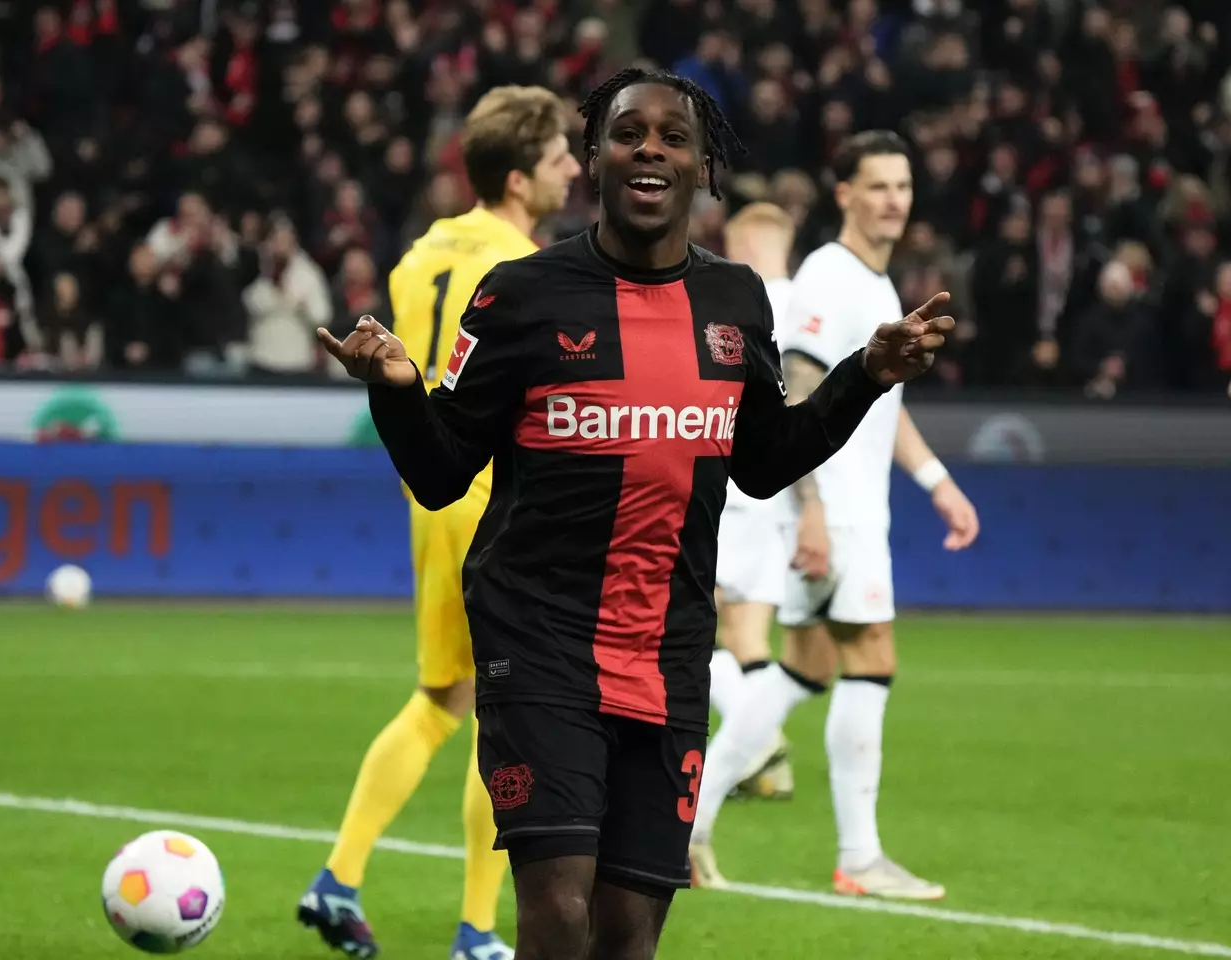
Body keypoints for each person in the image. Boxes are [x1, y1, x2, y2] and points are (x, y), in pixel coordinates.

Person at [319, 70, 956, 960]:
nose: (650, 147)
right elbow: (440, 472)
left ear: (703, 168)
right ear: (593, 158)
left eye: (673, 137)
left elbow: (766, 464)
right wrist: (397, 393)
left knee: (629, 932)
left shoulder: (736, 302)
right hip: (539, 643)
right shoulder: (520, 295)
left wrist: (864, 376)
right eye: (627, 133)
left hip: (668, 649)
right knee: (558, 910)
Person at [298, 84, 581, 960]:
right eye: (561, 155)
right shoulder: (528, 266)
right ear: (521, 175)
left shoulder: (418, 256)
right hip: (497, 495)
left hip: (429, 490)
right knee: (504, 707)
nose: (575, 167)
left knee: (440, 699)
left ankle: (338, 881)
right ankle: (478, 929)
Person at [688, 131, 981, 902]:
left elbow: (884, 409)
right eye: (878, 186)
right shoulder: (830, 276)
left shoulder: (877, 289)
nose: (894, 200)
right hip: (835, 511)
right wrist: (809, 511)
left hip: (853, 508)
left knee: (804, 668)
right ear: (844, 193)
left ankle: (684, 824)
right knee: (871, 658)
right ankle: (859, 856)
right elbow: (797, 390)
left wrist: (937, 483)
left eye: (903, 186)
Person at [708, 202, 799, 803]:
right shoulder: (814, 302)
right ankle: (769, 762)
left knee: (697, 618)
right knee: (749, 636)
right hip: (787, 493)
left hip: (736, 484)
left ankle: (757, 740)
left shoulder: (742, 303)